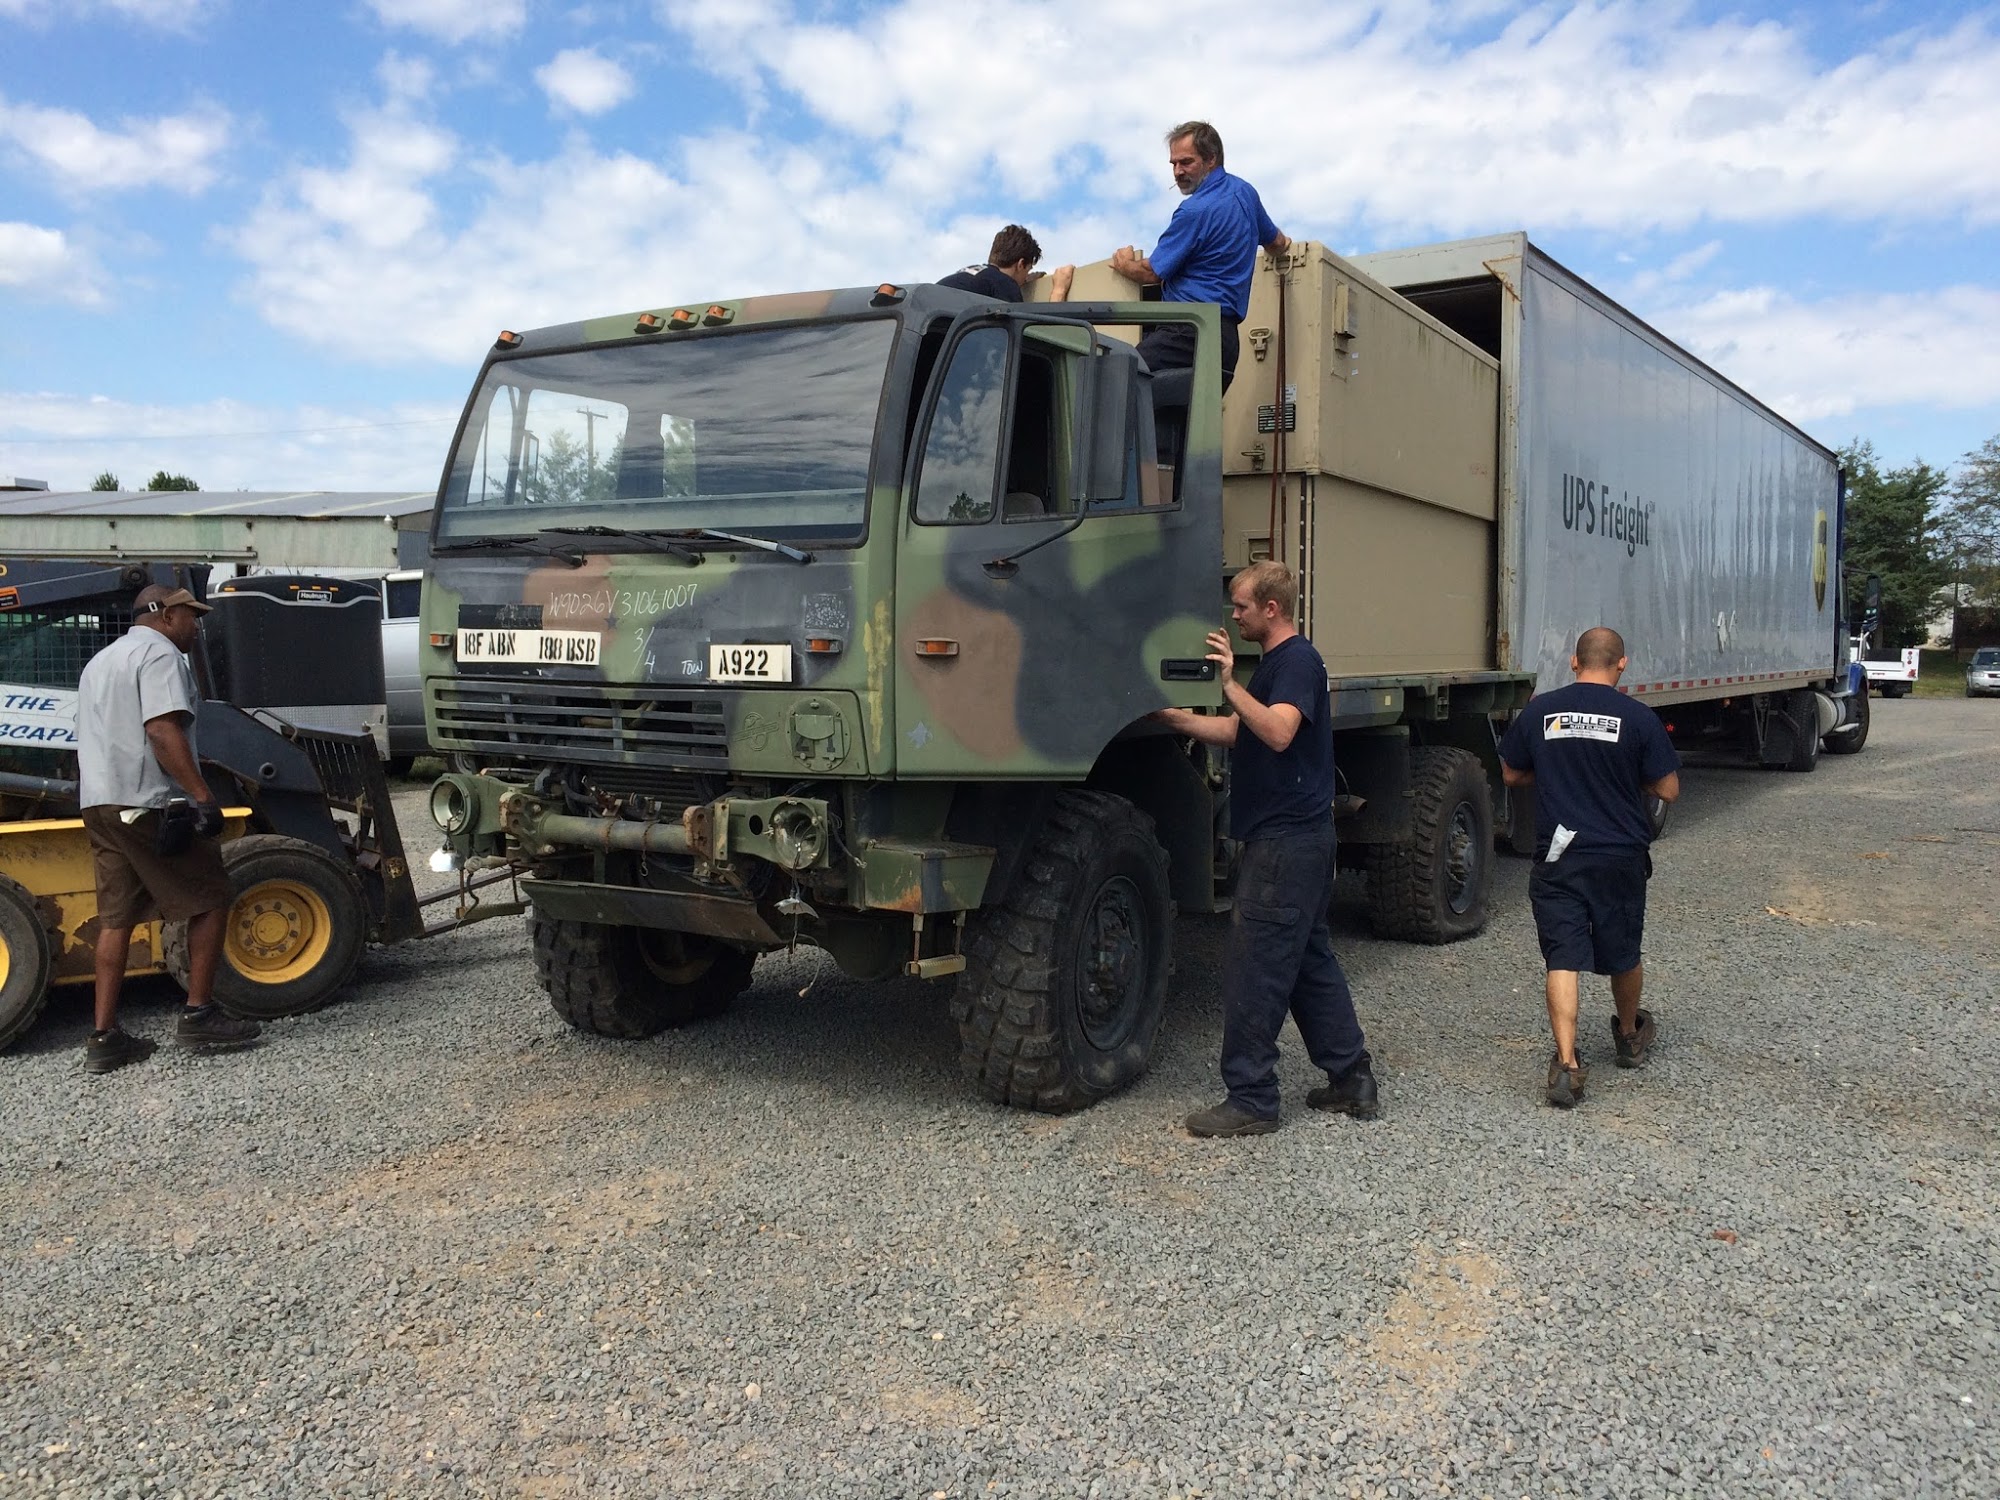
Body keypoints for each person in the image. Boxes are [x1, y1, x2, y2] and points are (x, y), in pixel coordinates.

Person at [1153, 561, 1378, 1136]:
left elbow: (1277, 731)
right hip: (1294, 841)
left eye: (1241, 606)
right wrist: (1174, 717)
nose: (1234, 614)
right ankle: (1351, 1077)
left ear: (1271, 609)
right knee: (1307, 962)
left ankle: (1252, 1097)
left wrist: (1227, 683)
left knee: (1255, 965)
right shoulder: (1277, 665)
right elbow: (1240, 731)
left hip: (1286, 843)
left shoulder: (1297, 660)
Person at [75, 583, 259, 1074]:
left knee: (115, 919)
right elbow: (161, 730)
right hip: (147, 803)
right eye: (191, 616)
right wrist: (202, 796)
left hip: (101, 803)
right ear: (165, 613)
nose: (197, 627)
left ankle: (104, 1037)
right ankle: (199, 1014)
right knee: (212, 894)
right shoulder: (158, 658)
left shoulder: (101, 662)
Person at [1498, 626, 1680, 1109]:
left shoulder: (1540, 710)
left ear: (1574, 663)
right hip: (1619, 856)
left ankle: (1567, 1064)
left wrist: (1557, 770)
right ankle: (1627, 1034)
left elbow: (1512, 772)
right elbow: (1668, 790)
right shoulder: (1639, 719)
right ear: (1622, 665)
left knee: (1563, 956)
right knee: (1624, 950)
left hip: (1560, 856)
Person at [1109, 120, 1291, 390]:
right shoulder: (1245, 193)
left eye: (1186, 162)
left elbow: (1151, 273)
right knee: (1187, 427)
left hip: (1185, 333)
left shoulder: (1194, 211)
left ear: (1211, 159)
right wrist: (1285, 247)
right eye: (1173, 164)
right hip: (1225, 342)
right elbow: (1276, 242)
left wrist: (1124, 264)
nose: (1177, 172)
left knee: (1113, 376)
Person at [938, 224, 1074, 303]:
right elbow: (1026, 340)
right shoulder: (1005, 285)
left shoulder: (969, 276)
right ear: (1020, 264)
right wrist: (1059, 290)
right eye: (1028, 269)